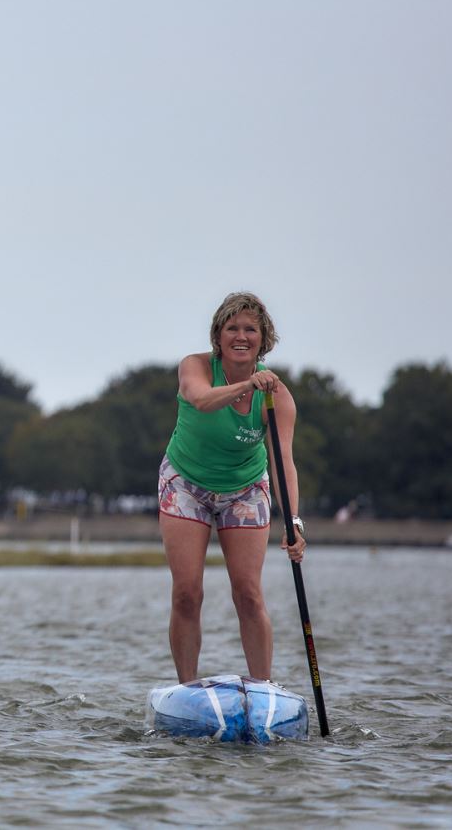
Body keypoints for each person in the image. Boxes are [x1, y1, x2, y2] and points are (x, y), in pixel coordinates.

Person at [159, 291, 307, 684]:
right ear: (218, 336)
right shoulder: (195, 367)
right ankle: (187, 688)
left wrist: (293, 522)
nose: (241, 336)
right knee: (187, 593)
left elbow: (282, 463)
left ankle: (262, 688)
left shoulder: (277, 397)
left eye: (250, 329)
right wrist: (245, 387)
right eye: (232, 328)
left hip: (244, 488)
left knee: (248, 594)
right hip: (185, 482)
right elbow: (202, 400)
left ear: (263, 339)